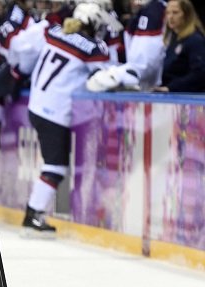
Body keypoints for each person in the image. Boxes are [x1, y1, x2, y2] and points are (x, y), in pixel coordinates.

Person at [22, 3, 114, 237]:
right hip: (54, 111)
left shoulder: (55, 31)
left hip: (37, 105)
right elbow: (107, 75)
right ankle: (33, 215)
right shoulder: (93, 48)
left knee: (54, 164)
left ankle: (33, 213)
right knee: (55, 166)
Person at [86, 0, 167, 92]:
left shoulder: (153, 11)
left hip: (154, 91)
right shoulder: (141, 13)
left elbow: (142, 66)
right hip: (147, 89)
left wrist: (116, 74)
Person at [152, 0, 205, 93]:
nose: (170, 17)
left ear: (187, 15)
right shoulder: (175, 41)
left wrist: (171, 88)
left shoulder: (195, 40)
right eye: (168, 13)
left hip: (189, 99)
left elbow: (199, 74)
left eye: (175, 12)